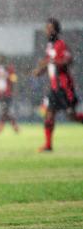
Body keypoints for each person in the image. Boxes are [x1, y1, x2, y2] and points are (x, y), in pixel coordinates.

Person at [32, 18, 83, 152]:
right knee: (49, 114)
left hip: (64, 87)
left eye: (50, 28)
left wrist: (52, 61)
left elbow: (68, 60)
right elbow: (48, 63)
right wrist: (40, 71)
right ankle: (48, 145)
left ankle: (48, 145)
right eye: (47, 28)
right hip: (54, 88)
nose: (48, 31)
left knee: (71, 116)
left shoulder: (61, 44)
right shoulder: (50, 47)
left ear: (56, 30)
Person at [0, 54, 19, 134]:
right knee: (5, 111)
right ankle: (14, 127)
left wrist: (9, 77)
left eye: (1, 59)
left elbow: (14, 79)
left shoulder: (8, 69)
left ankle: (3, 128)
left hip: (7, 93)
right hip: (0, 93)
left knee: (4, 111)